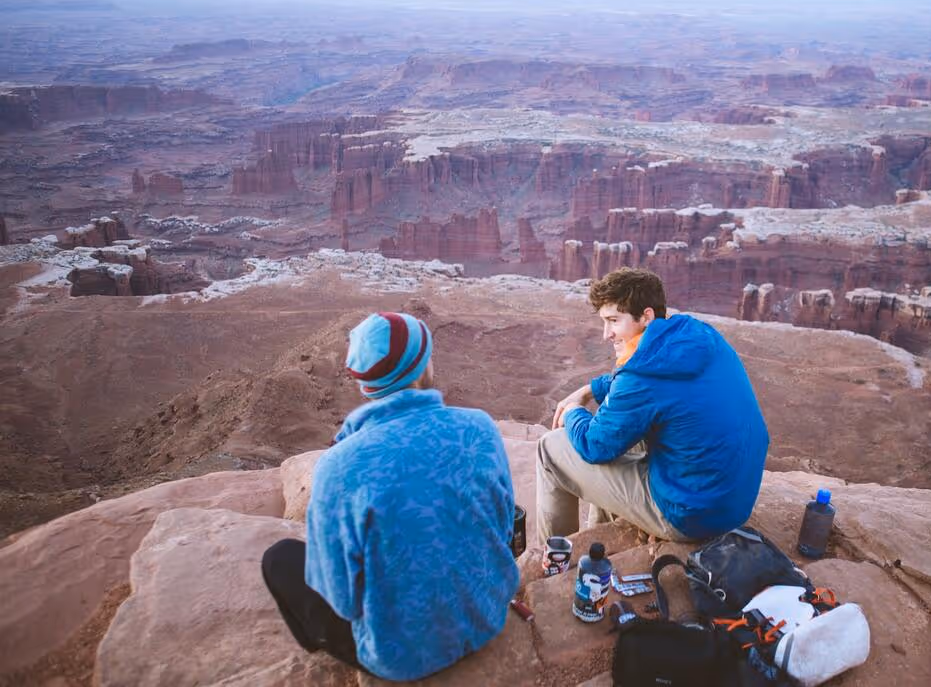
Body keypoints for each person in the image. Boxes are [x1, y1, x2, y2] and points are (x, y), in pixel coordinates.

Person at [262, 312, 518, 681]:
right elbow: (504, 526)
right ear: (421, 368)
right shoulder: (480, 427)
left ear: (365, 387)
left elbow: (341, 599)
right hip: (488, 617)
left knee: (280, 559)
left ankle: (321, 647)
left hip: (402, 659)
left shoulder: (338, 467)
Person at [536, 268, 769, 545]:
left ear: (646, 316)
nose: (606, 334)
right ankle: (602, 540)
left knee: (550, 448)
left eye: (613, 321)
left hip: (690, 515)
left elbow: (593, 446)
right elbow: (648, 385)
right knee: (617, 428)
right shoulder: (697, 333)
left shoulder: (641, 376)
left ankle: (553, 558)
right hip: (734, 500)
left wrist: (575, 410)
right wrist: (591, 389)